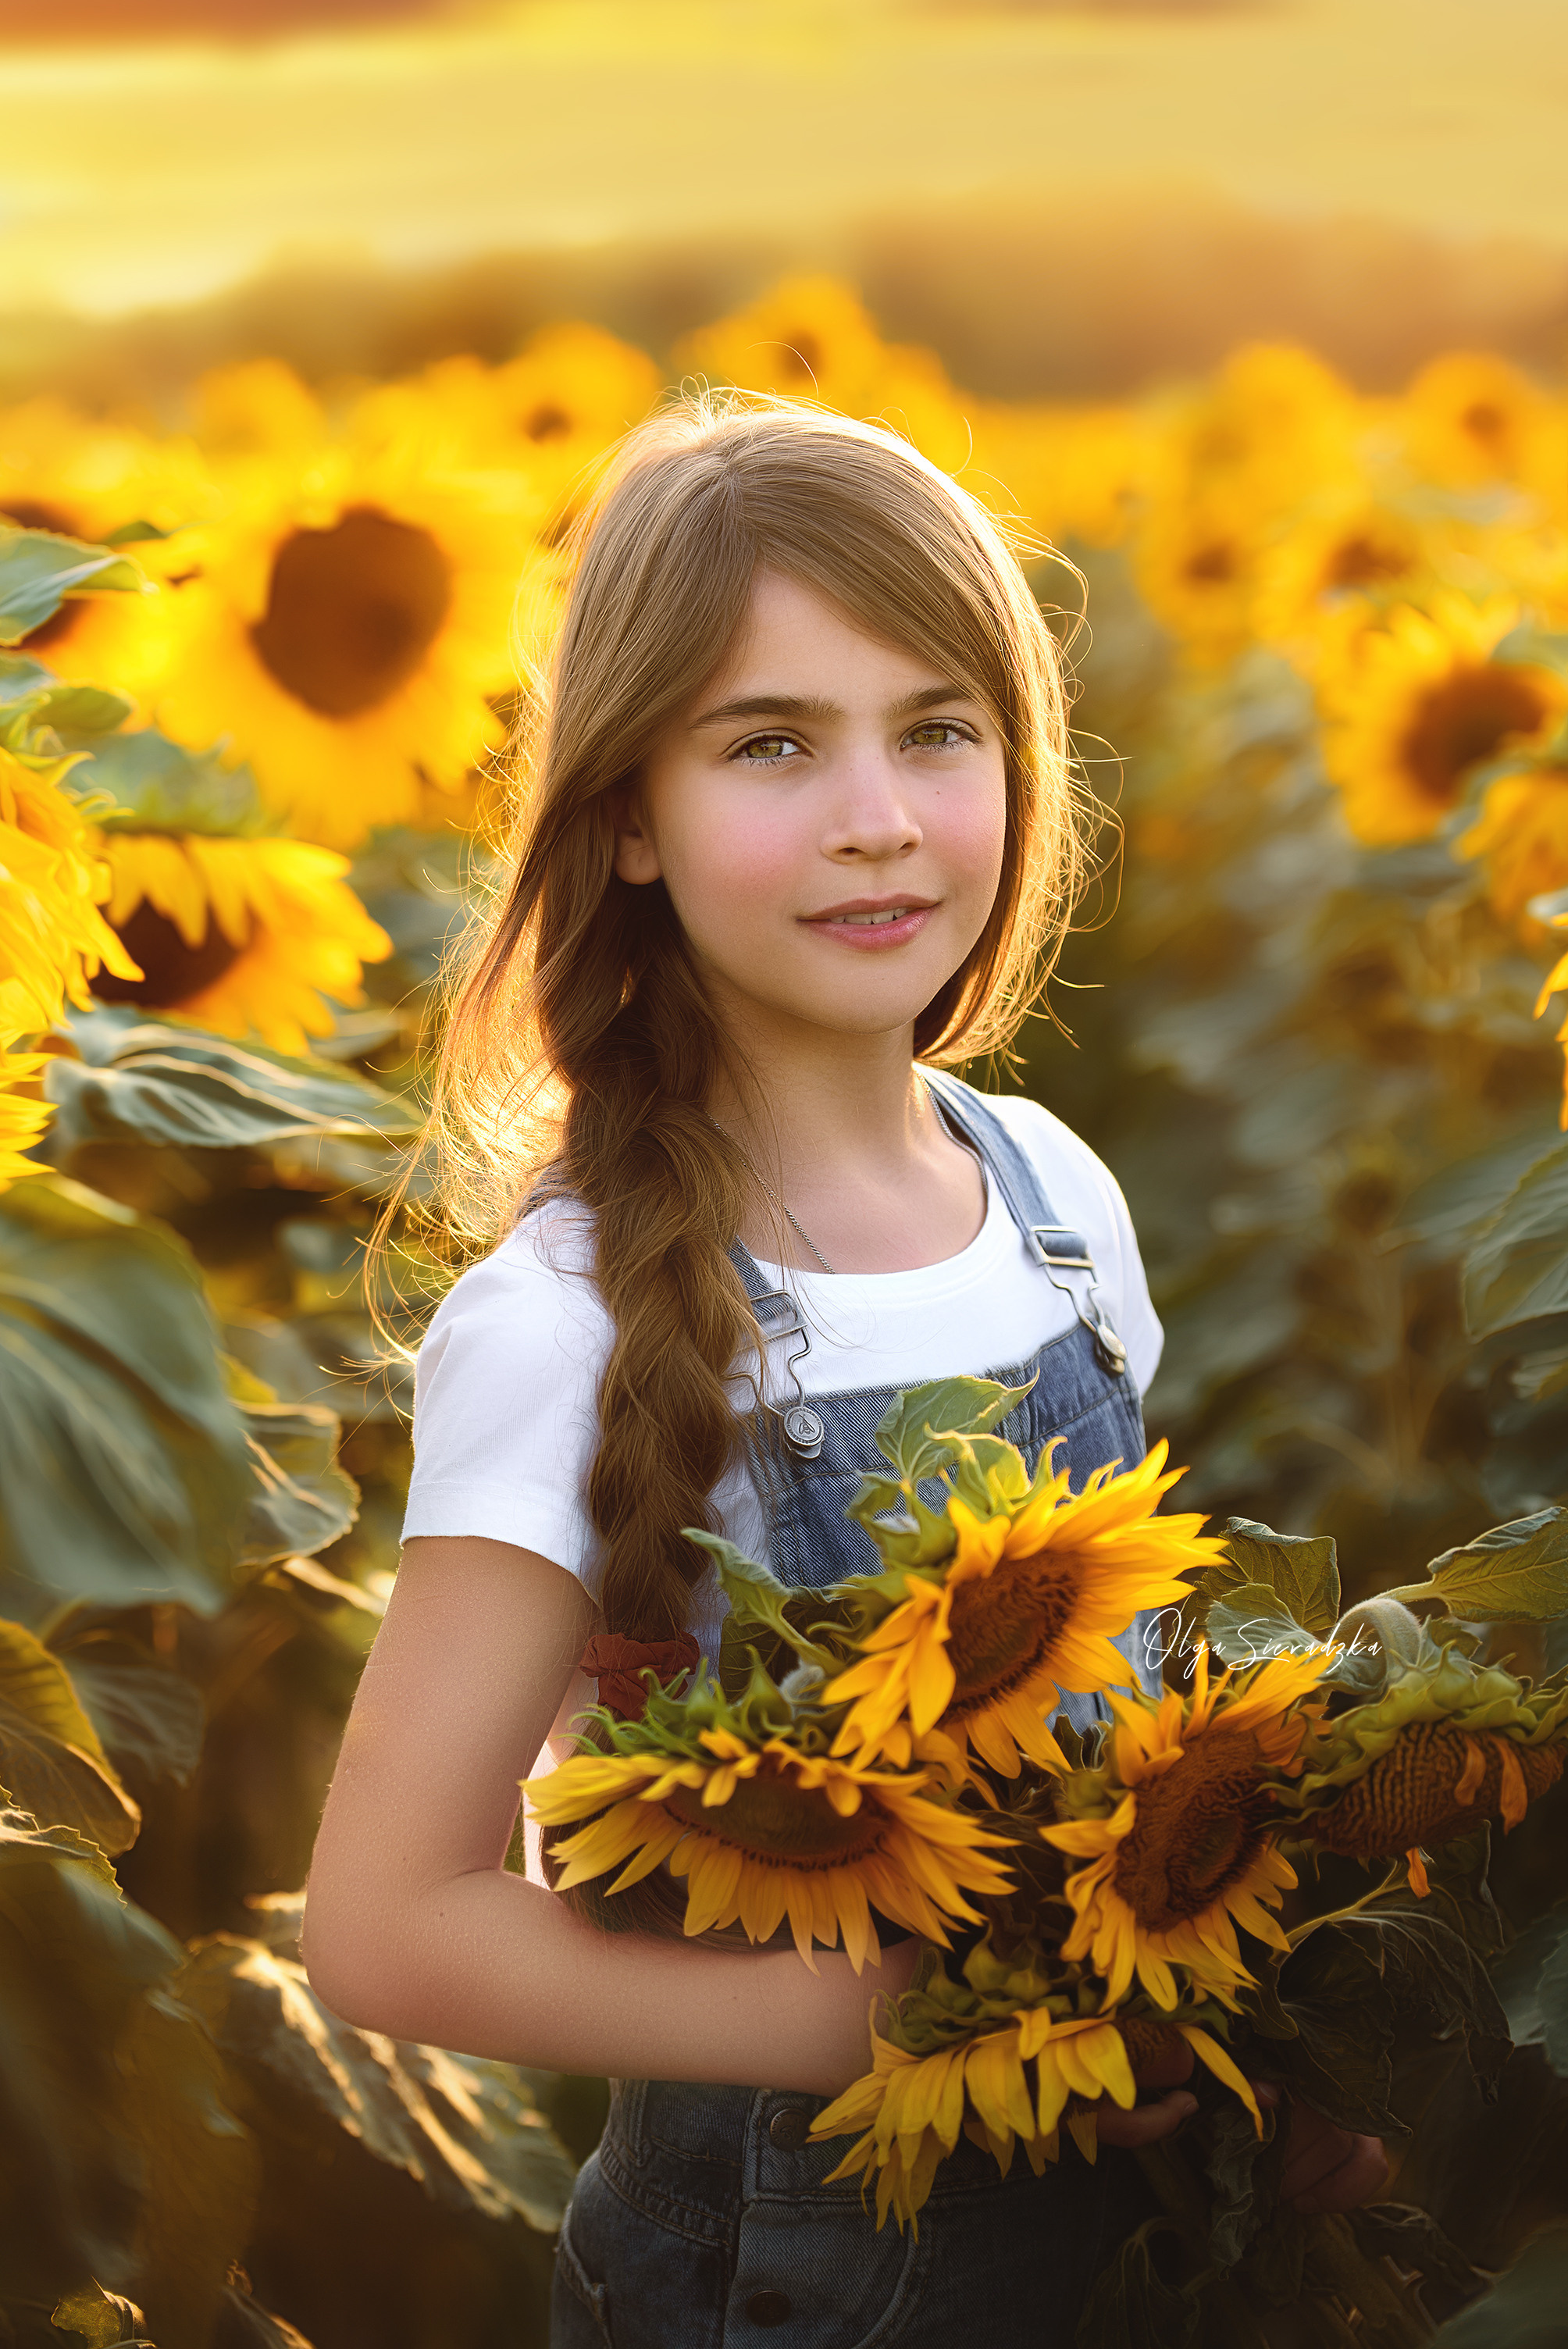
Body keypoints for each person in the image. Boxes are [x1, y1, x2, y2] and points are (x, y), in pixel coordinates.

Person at [302, 397, 1386, 2347]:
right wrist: (902, 2016)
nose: (875, 811)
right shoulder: (566, 1320)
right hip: (777, 2285)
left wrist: (1244, 2039)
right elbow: (386, 1924)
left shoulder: (1049, 1193)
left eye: (936, 727)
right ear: (625, 814)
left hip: (1122, 2248)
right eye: (771, 743)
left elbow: (1112, 1721)